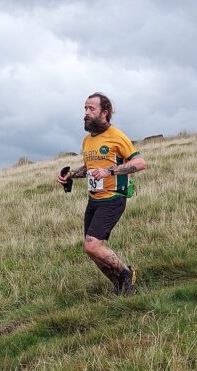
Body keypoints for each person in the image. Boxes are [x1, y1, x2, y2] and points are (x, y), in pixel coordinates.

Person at [57, 92, 147, 295]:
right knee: (92, 251)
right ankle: (119, 285)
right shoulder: (87, 141)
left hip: (113, 198)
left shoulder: (116, 136)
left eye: (91, 109)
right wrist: (70, 175)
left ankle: (126, 274)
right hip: (94, 200)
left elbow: (140, 163)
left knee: (92, 246)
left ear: (104, 112)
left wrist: (110, 171)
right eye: (85, 109)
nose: (86, 113)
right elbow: (89, 168)